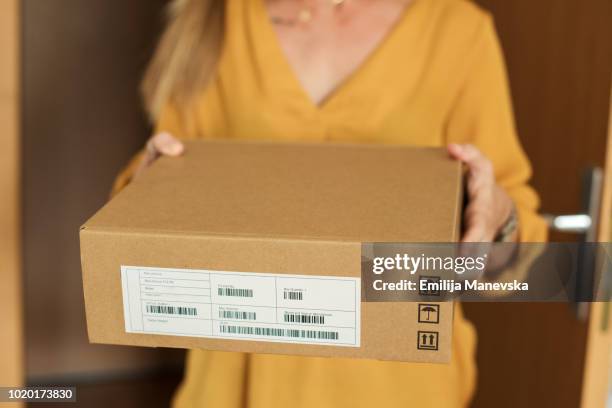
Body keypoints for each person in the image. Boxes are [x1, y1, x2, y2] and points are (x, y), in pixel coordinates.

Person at [113, 0, 548, 406]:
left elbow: (517, 258)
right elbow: (147, 212)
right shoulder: (214, 20)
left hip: (402, 388)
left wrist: (497, 219)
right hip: (236, 384)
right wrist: (150, 189)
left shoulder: (458, 32)